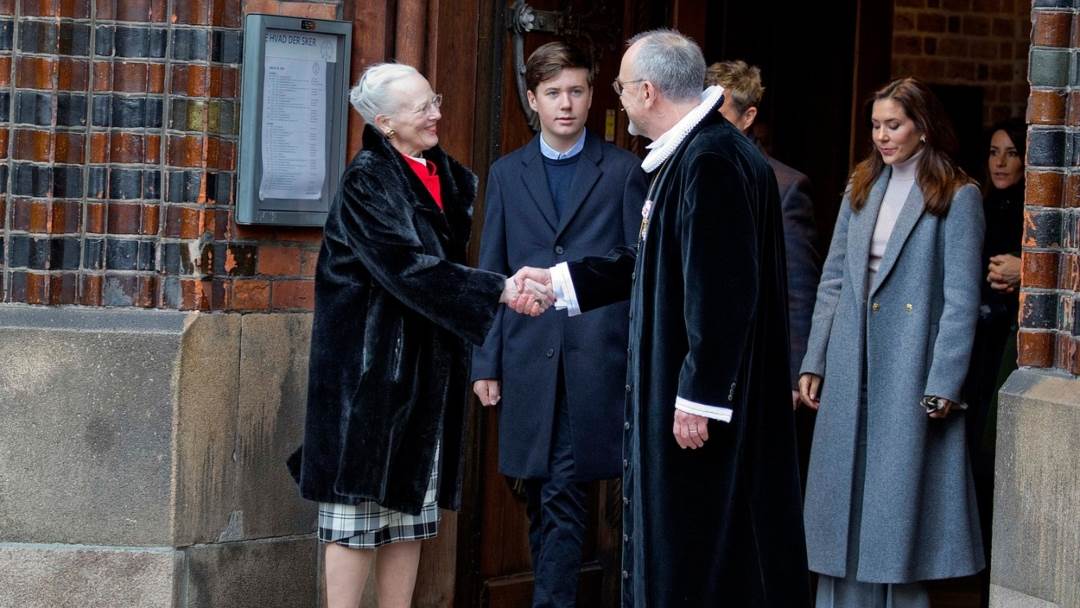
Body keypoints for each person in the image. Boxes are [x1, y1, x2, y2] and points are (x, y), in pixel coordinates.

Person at [509, 29, 810, 607]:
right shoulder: (692, 154)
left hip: (702, 418)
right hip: (689, 402)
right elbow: (652, 261)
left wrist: (700, 395)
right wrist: (560, 282)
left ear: (647, 91)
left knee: (700, 560)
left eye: (621, 87)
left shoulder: (711, 159)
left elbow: (724, 289)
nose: (618, 99)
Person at [286, 63, 551, 608]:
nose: (435, 114)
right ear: (385, 123)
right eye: (421, 107)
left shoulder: (436, 173)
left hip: (421, 377)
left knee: (408, 516)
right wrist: (500, 290)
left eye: (435, 100)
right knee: (357, 517)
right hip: (368, 379)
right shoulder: (368, 180)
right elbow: (406, 269)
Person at [470, 42, 647, 608]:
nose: (565, 104)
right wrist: (486, 361)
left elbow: (635, 265)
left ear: (593, 97)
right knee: (538, 493)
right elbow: (492, 270)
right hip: (526, 357)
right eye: (553, 93)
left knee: (564, 495)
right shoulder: (506, 173)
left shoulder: (623, 171)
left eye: (575, 91)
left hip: (594, 359)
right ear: (533, 100)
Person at [797, 77, 985, 608]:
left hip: (910, 365)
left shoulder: (957, 195)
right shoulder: (861, 185)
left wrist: (944, 381)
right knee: (843, 502)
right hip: (850, 359)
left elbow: (961, 299)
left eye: (893, 125)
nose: (882, 136)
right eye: (876, 125)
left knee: (896, 512)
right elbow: (834, 278)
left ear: (922, 128)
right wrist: (815, 359)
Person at [706, 60, 822, 413]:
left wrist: (793, 375)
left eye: (719, 114)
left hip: (751, 361)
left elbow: (798, 287)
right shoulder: (687, 168)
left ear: (748, 116)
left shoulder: (784, 186)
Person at [963, 117, 1025, 602]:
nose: (1000, 162)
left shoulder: (1036, 211)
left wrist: (1025, 272)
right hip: (977, 346)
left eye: (1011, 153)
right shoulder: (978, 208)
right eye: (993, 152)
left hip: (1013, 347)